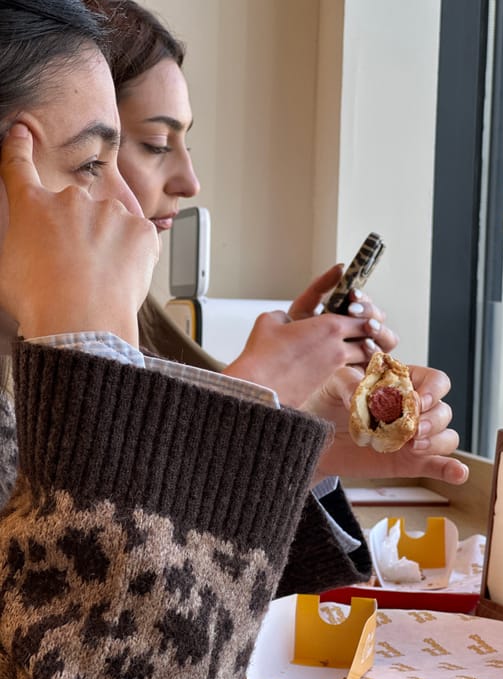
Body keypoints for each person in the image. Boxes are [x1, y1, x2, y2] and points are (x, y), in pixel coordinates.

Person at [0, 2, 385, 679]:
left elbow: (194, 625)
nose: (144, 206)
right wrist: (98, 364)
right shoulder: (60, 346)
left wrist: (302, 450)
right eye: (99, 160)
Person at [86, 0, 469, 488]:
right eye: (158, 144)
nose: (190, 180)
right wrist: (246, 411)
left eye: (185, 145)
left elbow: (176, 537)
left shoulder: (143, 339)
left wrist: (302, 447)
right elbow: (114, 551)